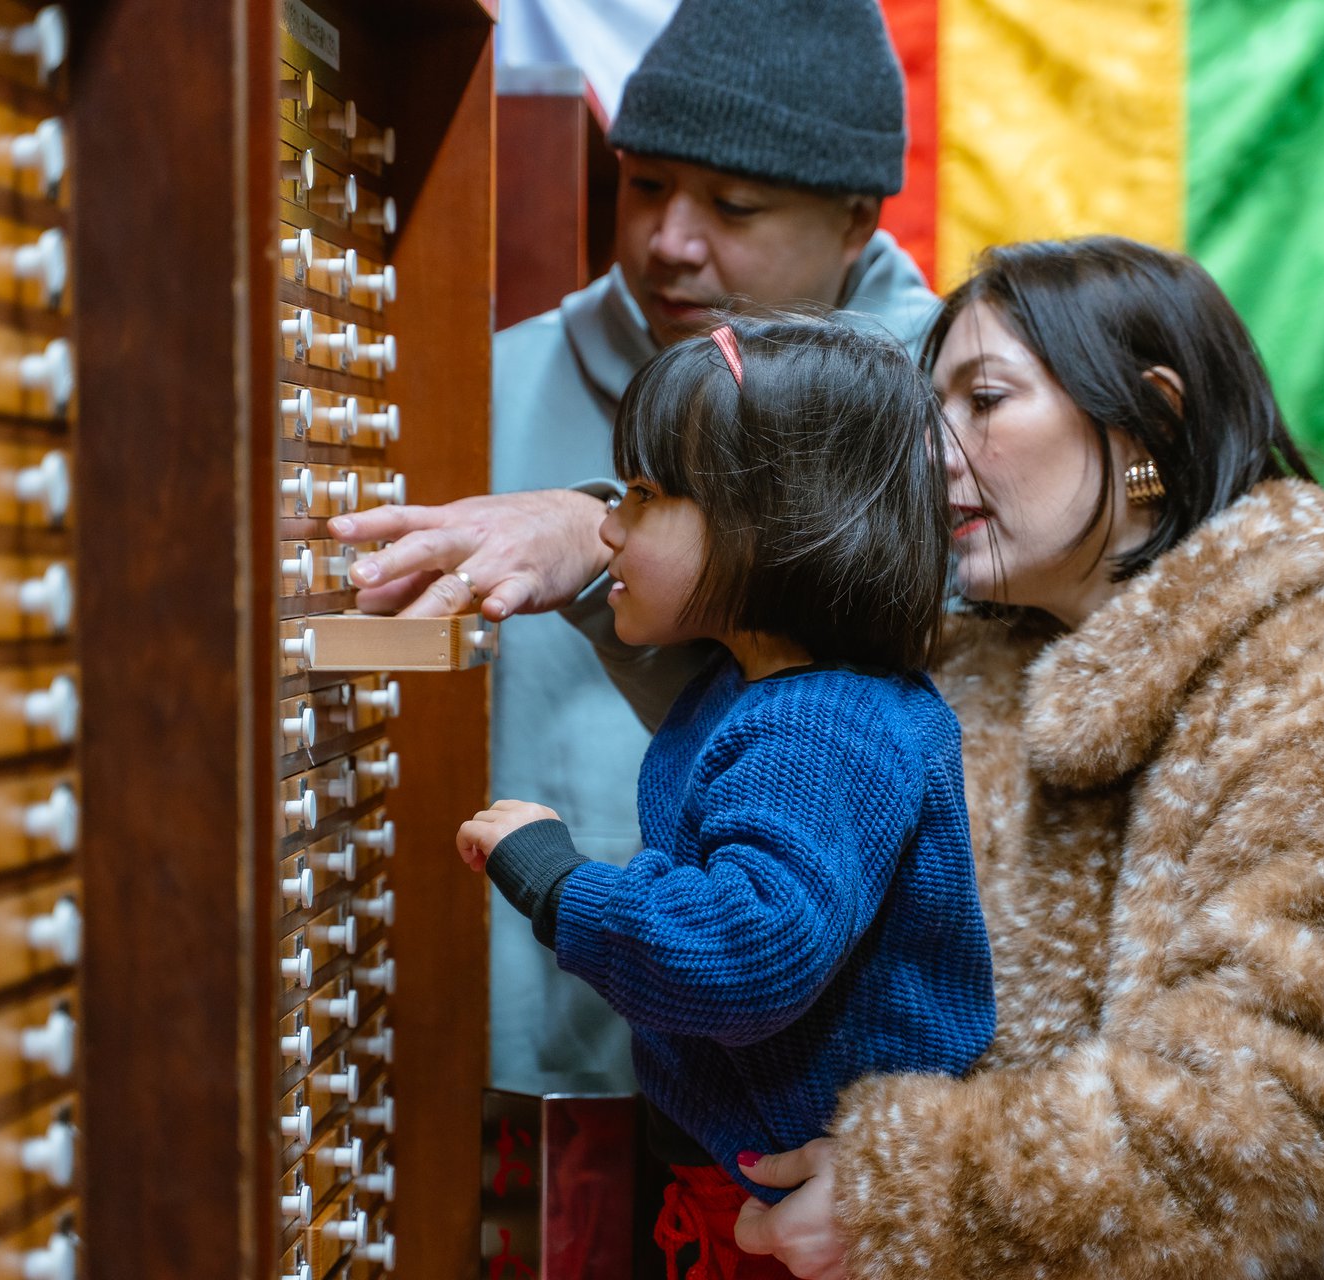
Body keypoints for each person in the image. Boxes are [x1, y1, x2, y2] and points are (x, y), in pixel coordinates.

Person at [361, 238, 1324, 1276]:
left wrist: (914, 1192)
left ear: (1149, 424)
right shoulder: (979, 656)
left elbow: (1292, 1126)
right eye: (927, 402)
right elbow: (756, 710)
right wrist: (593, 533)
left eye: (985, 400)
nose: (932, 446)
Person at [335, 0, 936, 1097]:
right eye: (646, 184)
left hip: (806, 1092)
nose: (669, 240)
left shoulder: (955, 401)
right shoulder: (486, 375)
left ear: (856, 221)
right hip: (494, 1056)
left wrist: (585, 526)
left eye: (734, 205)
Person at [454, 316, 996, 1278]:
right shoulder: (762, 689)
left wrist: (559, 883)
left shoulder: (820, 726)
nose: (608, 526)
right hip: (746, 1194)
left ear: (771, 523)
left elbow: (749, 950)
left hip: (810, 1231)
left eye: (646, 496)